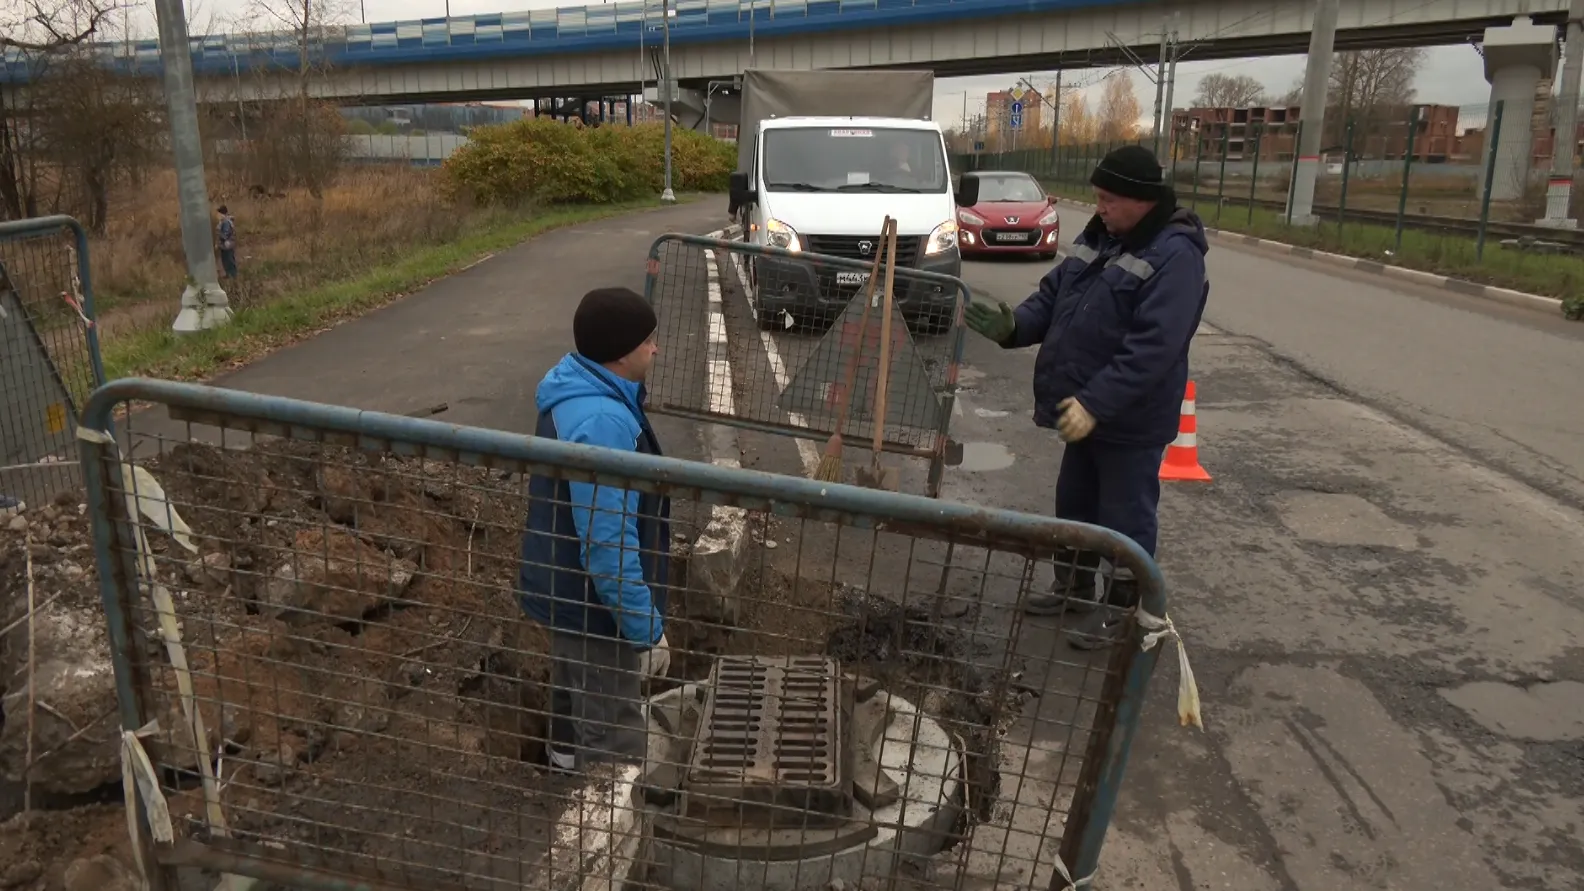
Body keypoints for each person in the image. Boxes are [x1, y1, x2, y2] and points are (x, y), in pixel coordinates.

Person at [963, 145, 1209, 649]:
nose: (1100, 208)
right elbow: (1053, 295)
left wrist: (1096, 402)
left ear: (1142, 199)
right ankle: (1073, 587)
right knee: (1074, 504)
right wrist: (1015, 326)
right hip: (1086, 412)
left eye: (1108, 199)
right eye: (1098, 198)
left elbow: (1153, 349)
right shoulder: (1099, 237)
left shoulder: (1175, 256)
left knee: (1125, 516)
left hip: (1129, 420)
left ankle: (1126, 610)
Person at [518, 286, 672, 774]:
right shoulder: (603, 421)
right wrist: (646, 630)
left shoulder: (574, 390)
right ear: (622, 352)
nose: (656, 349)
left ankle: (560, 779)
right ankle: (603, 820)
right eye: (648, 340)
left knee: (571, 705)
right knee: (613, 743)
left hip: (566, 594)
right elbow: (607, 546)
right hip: (596, 610)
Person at [215, 206, 237, 280]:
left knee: (229, 260)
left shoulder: (226, 222)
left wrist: (219, 232)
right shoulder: (223, 222)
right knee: (226, 260)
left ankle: (232, 275)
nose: (217, 215)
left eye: (219, 214)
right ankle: (229, 274)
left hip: (227, 245)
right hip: (226, 245)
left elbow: (225, 235)